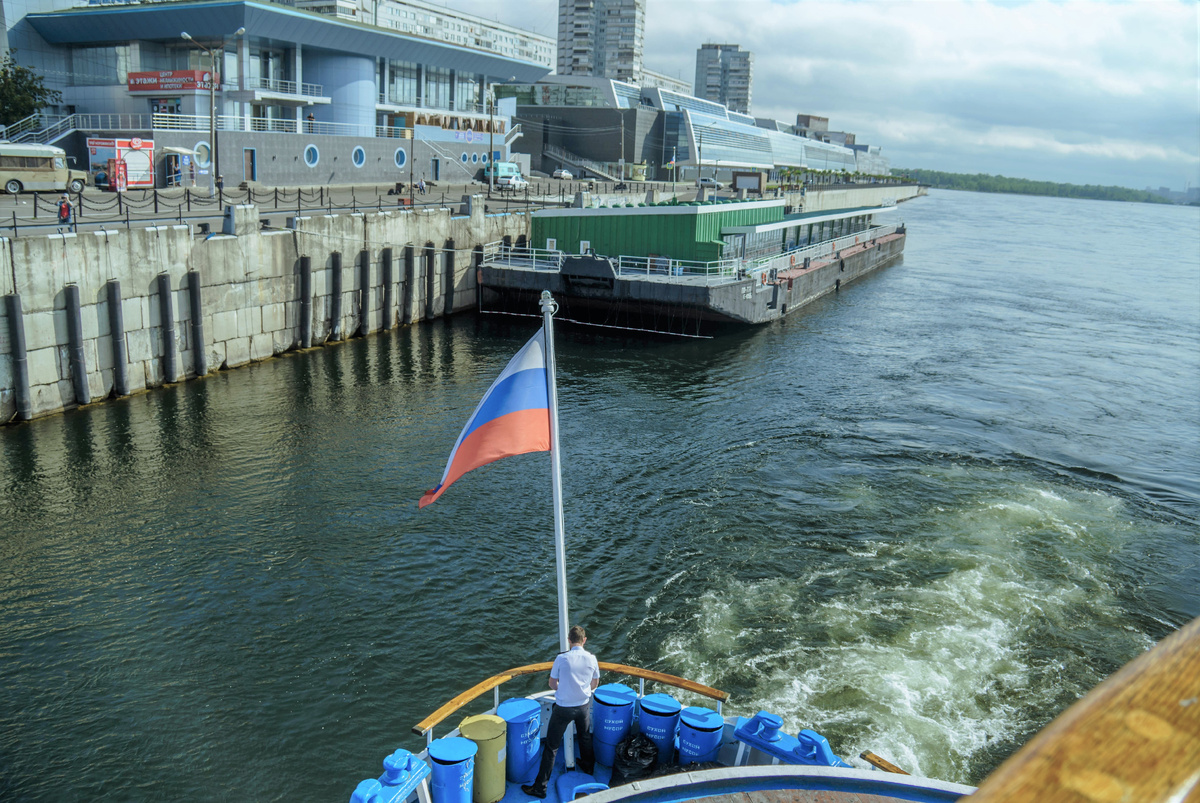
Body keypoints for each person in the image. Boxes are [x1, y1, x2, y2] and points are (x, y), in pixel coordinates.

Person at [522, 625, 599, 799]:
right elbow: (594, 684)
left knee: (552, 747)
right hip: (583, 706)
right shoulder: (592, 659)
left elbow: (552, 684)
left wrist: (563, 690)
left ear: (569, 641)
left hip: (563, 708)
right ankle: (588, 768)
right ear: (584, 640)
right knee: (585, 737)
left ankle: (540, 788)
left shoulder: (561, 659)